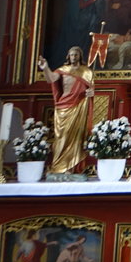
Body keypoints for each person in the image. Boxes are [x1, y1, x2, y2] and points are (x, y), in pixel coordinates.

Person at [36, 46, 94, 175]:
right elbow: (50, 79)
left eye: (76, 55)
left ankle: (70, 167)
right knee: (61, 136)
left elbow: (91, 89)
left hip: (78, 106)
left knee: (75, 137)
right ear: (68, 56)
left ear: (80, 56)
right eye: (71, 55)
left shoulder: (86, 72)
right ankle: (58, 166)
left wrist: (91, 93)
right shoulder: (62, 70)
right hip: (63, 106)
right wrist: (45, 67)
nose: (73, 57)